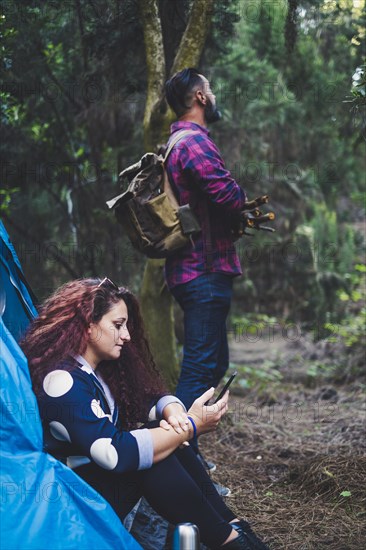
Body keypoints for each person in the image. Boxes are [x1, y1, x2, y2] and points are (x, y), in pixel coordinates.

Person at [21, 278, 269, 550]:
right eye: (117, 326)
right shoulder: (61, 381)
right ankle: (228, 540)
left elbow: (149, 401)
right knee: (152, 456)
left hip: (94, 487)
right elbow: (115, 454)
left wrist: (173, 411)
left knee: (163, 437)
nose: (126, 335)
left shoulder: (96, 370)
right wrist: (190, 426)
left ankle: (230, 527)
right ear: (88, 326)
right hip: (71, 501)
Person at [164, 68, 247, 474]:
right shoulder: (194, 142)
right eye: (209, 89)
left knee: (211, 367)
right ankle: (176, 461)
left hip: (195, 271)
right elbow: (226, 193)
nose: (213, 95)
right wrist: (239, 197)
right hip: (203, 271)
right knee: (199, 370)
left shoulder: (176, 141)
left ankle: (188, 458)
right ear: (199, 96)